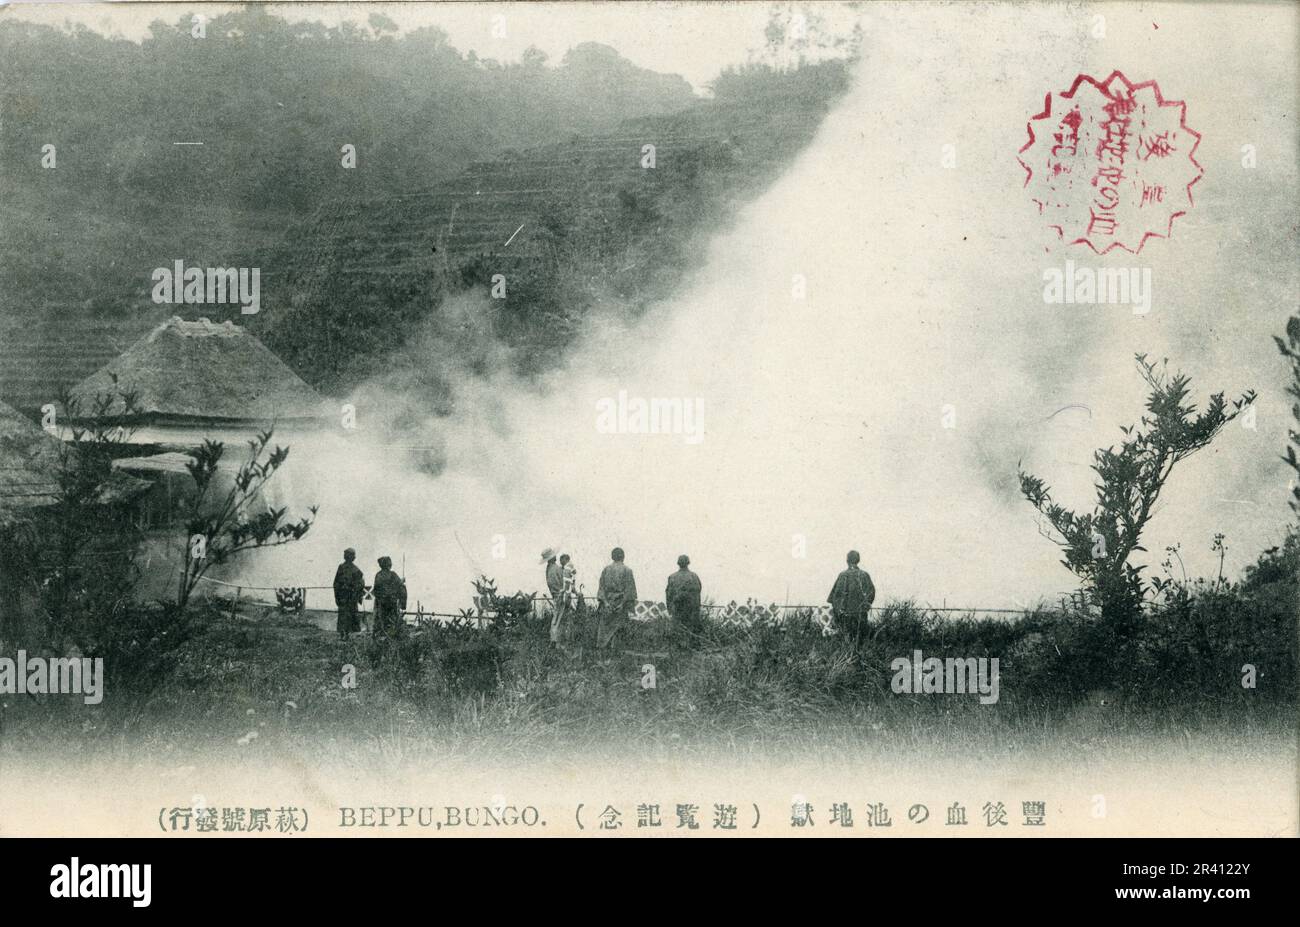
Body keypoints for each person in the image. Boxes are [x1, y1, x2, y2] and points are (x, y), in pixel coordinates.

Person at [828, 549, 875, 647]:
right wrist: (865, 606)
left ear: (847, 560)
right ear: (858, 560)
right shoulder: (864, 575)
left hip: (845, 616)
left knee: (845, 642)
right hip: (860, 615)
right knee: (860, 642)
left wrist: (839, 611)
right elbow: (871, 592)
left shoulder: (842, 575)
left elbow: (834, 597)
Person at [596, 547, 638, 651]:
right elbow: (630, 591)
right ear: (623, 557)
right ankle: (615, 653)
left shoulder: (606, 569)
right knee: (619, 629)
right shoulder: (627, 570)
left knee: (604, 630)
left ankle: (602, 654)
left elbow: (601, 588)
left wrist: (605, 603)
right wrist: (622, 604)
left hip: (607, 604)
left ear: (612, 557)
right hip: (620, 604)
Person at [665, 554, 703, 638]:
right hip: (691, 610)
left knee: (677, 631)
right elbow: (697, 592)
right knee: (689, 632)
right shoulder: (693, 576)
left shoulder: (672, 577)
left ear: (678, 563)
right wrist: (697, 609)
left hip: (677, 608)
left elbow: (668, 594)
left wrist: (670, 609)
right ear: (688, 563)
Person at [333, 548, 365, 640]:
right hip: (344, 596)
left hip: (350, 597)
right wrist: (337, 595)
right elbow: (336, 583)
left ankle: (346, 634)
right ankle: (344, 633)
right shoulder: (342, 568)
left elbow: (360, 584)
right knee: (344, 615)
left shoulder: (356, 570)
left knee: (348, 615)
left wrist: (357, 594)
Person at [372, 555, 408, 639]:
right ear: (389, 564)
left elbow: (376, 590)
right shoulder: (393, 575)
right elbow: (401, 588)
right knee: (391, 621)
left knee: (380, 621)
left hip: (381, 603)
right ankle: (391, 637)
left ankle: (379, 636)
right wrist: (403, 604)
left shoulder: (378, 575)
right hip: (391, 603)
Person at [542, 547, 565, 645]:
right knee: (558, 619)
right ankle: (554, 640)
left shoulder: (548, 569)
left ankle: (556, 640)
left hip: (555, 595)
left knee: (557, 618)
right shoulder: (557, 568)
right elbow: (564, 583)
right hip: (560, 595)